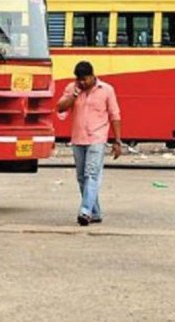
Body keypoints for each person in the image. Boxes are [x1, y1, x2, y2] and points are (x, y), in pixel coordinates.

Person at [56, 61, 122, 226]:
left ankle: (85, 211)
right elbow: (60, 108)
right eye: (80, 80)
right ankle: (95, 212)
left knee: (91, 174)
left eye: (85, 79)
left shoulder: (107, 90)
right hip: (78, 138)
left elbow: (115, 115)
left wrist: (117, 140)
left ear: (93, 76)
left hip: (97, 138)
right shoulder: (72, 88)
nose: (83, 83)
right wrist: (75, 94)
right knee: (81, 178)